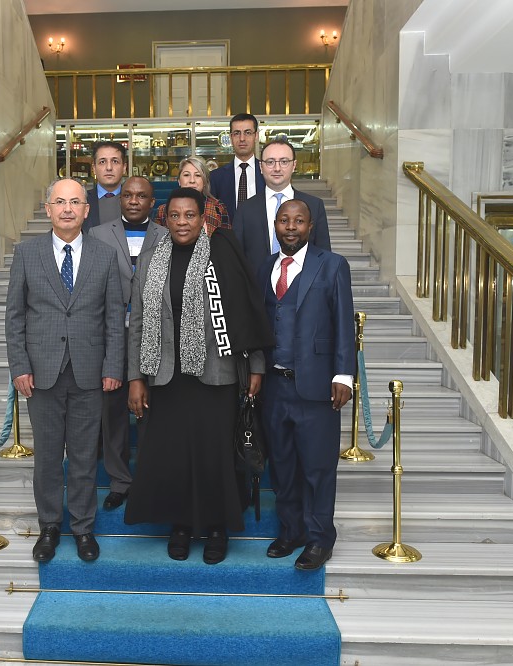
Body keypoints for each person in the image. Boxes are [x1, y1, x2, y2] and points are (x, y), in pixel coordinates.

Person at [125, 187, 274, 565]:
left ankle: (216, 527)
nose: (181, 222)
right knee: (173, 455)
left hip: (216, 375)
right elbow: (139, 320)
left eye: (189, 215)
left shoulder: (221, 254)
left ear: (202, 217)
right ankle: (181, 524)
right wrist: (136, 377)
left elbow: (244, 312)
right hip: (165, 376)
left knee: (214, 456)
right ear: (165, 220)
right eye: (174, 215)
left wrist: (256, 365)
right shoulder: (151, 259)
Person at [6, 178, 125, 563]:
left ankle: (83, 528)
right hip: (41, 374)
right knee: (47, 458)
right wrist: (20, 366)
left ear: (87, 210)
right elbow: (15, 317)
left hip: (91, 373)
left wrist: (113, 366)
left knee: (85, 455)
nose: (68, 209)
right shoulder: (26, 253)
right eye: (60, 202)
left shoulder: (104, 255)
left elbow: (112, 319)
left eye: (76, 202)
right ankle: (49, 526)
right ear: (48, 209)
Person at [257, 198, 354, 571]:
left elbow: (344, 321)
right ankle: (291, 529)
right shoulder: (265, 266)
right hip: (274, 386)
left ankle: (319, 538)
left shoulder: (331, 266)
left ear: (311, 227)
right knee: (282, 465)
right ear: (276, 225)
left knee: (317, 468)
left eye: (299, 221)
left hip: (316, 387)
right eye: (284, 220)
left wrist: (343, 375)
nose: (291, 227)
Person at [89, 177, 169, 509]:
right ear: (120, 199)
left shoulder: (167, 236)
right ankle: (120, 481)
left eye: (142, 196)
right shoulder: (98, 234)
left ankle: (152, 478)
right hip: (111, 336)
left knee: (154, 410)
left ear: (153, 203)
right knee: (113, 412)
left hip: (154, 336)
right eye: (128, 195)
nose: (134, 201)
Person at [232, 137, 331, 275]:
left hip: (303, 291)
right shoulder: (245, 209)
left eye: (284, 162)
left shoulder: (314, 205)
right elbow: (236, 257)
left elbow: (324, 255)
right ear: (261, 167)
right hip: (258, 290)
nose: (277, 168)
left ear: (294, 165)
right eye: (270, 162)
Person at [154, 156, 230, 235]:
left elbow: (226, 242)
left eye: (198, 175)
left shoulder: (218, 207)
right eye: (186, 175)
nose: (192, 180)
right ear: (179, 180)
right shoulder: (163, 210)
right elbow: (157, 242)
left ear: (205, 181)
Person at [209, 113, 265, 216]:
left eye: (247, 133)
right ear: (231, 137)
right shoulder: (216, 177)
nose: (242, 138)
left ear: (256, 136)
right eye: (237, 133)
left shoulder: (267, 173)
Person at [83, 140, 128, 232]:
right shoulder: (82, 200)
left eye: (115, 161)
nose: (109, 168)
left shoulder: (136, 201)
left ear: (124, 168)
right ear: (94, 169)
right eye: (102, 162)